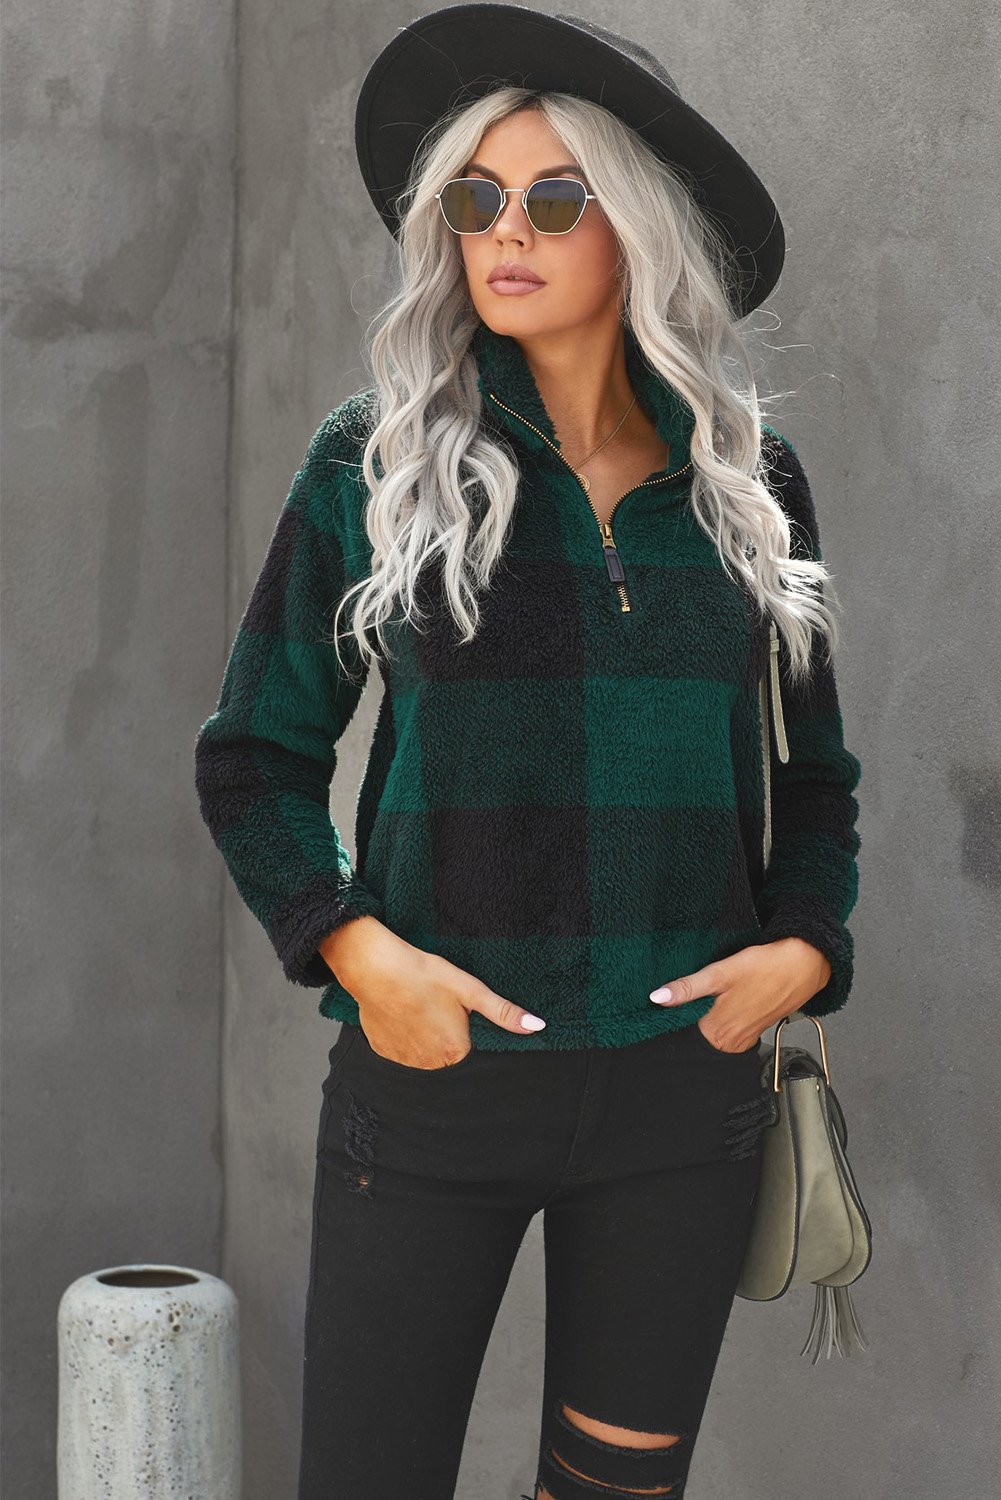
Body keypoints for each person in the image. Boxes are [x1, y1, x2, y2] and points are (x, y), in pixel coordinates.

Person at [193, 7, 863, 1496]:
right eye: (475, 198)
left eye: (556, 198)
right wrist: (360, 956)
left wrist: (803, 952)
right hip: (435, 1082)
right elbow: (251, 757)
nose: (506, 230)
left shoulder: (748, 481)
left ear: (637, 226)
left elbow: (812, 777)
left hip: (682, 1095)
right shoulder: (374, 462)